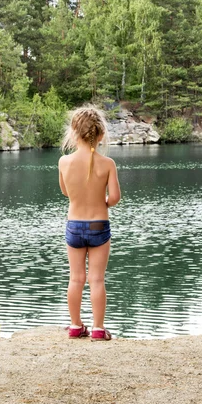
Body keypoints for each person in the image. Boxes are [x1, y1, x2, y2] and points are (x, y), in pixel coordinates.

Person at [58, 105, 121, 340]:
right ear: (100, 134)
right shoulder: (107, 163)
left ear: (74, 132)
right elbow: (113, 198)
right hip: (99, 226)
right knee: (96, 279)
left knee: (76, 278)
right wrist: (102, 200)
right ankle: (98, 329)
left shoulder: (64, 162)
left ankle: (75, 326)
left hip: (74, 225)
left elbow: (65, 192)